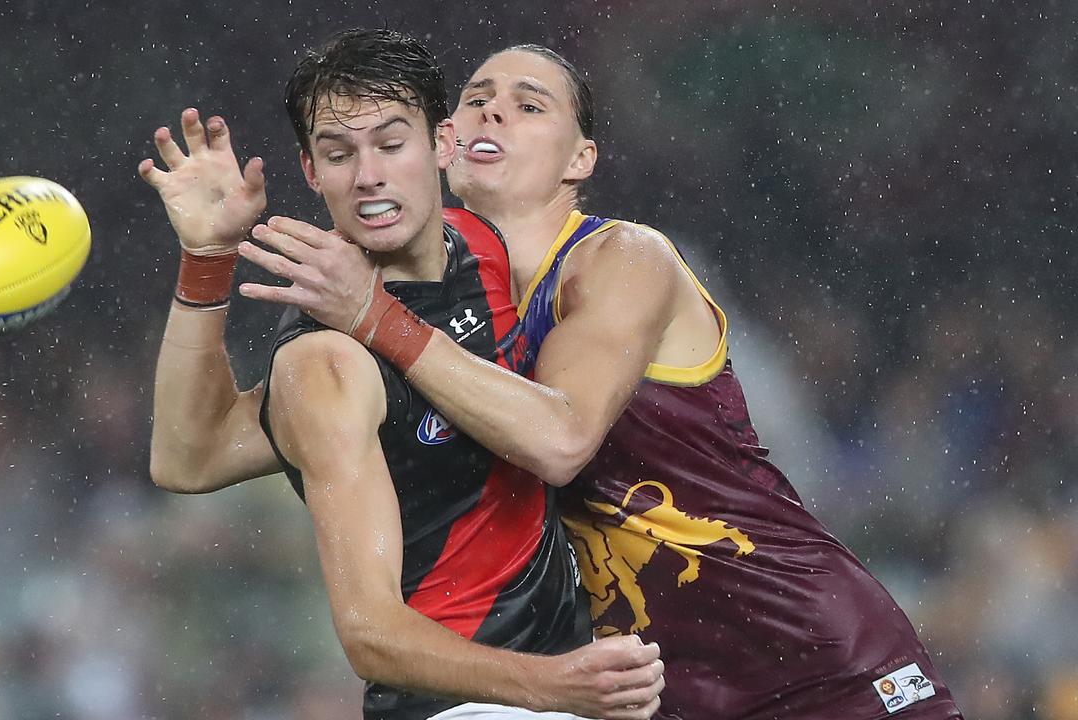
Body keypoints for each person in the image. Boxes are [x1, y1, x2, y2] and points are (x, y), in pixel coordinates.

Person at [236, 45, 965, 720]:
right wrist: (207, 256)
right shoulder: (444, 309)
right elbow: (196, 454)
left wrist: (372, 316)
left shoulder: (622, 257)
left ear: (580, 159)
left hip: (809, 655)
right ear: (444, 140)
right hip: (658, 691)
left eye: (529, 105)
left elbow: (561, 440)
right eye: (478, 97)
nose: (494, 109)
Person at [140, 29, 663, 720]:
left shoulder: (480, 241)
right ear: (311, 171)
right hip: (467, 708)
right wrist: (206, 255)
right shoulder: (324, 363)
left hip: (573, 682)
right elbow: (369, 634)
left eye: (391, 144)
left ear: (442, 145)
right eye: (338, 154)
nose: (368, 176)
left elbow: (196, 452)